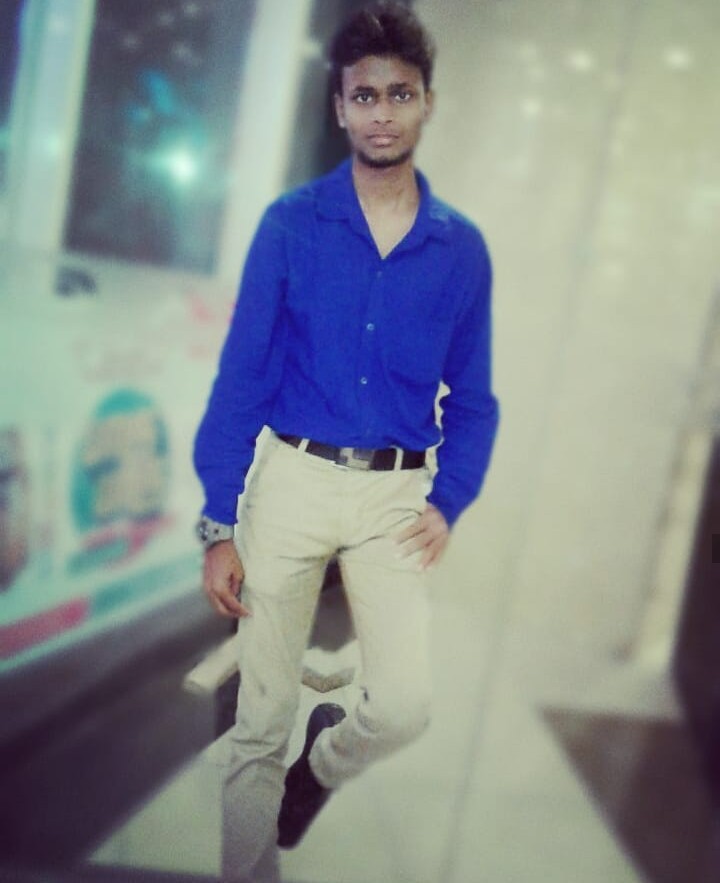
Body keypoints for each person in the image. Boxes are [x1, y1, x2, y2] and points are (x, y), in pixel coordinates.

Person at [193, 2, 499, 880]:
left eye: (400, 94)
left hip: (394, 496)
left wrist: (449, 497)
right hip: (292, 483)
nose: (382, 113)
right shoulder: (291, 224)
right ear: (339, 106)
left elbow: (474, 398)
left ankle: (322, 763)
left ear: (427, 102)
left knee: (403, 707)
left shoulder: (459, 249)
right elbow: (243, 378)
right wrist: (219, 521)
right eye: (364, 96)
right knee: (257, 722)